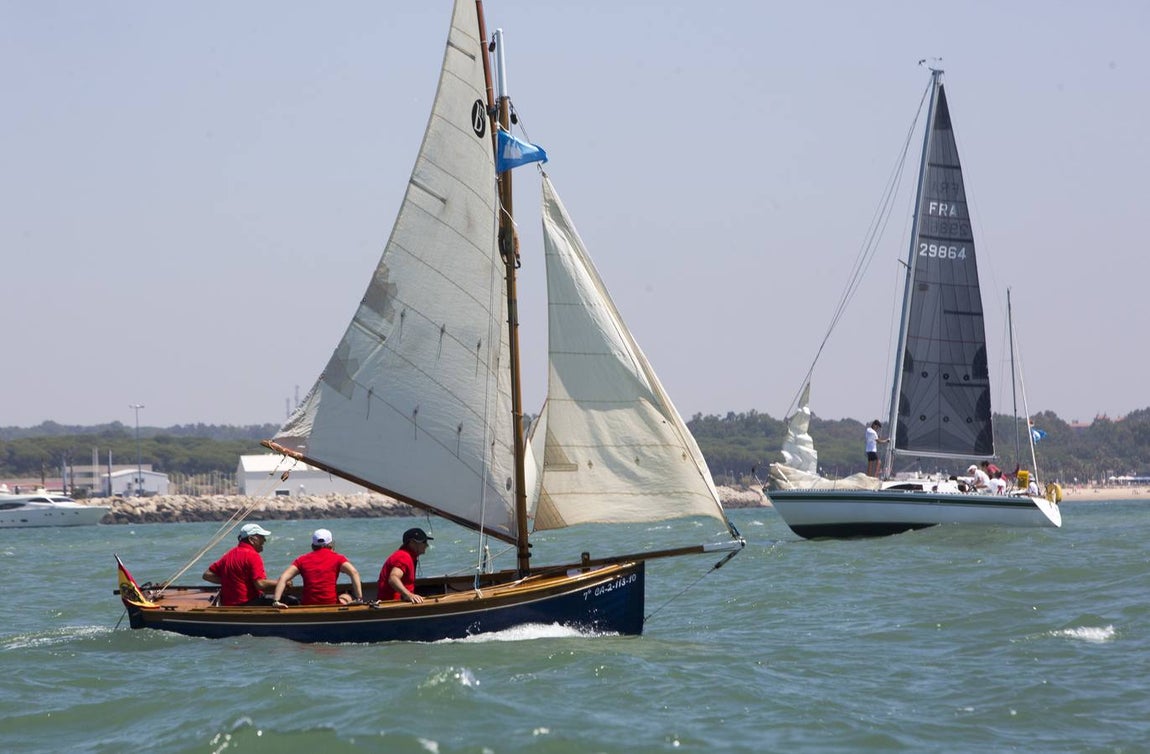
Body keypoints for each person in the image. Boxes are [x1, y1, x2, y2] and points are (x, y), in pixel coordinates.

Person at [271, 528, 363, 608]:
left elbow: (283, 578)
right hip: (331, 604)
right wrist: (359, 598)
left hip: (308, 604)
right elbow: (354, 572)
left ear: (313, 545)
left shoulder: (301, 560)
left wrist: (276, 601)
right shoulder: (338, 558)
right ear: (331, 544)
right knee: (346, 596)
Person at [203, 523, 280, 606]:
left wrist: (232, 582)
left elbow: (207, 575)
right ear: (251, 539)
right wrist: (281, 583)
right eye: (261, 537)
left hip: (228, 604)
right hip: (248, 603)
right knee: (291, 601)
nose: (264, 540)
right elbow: (260, 584)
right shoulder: (253, 556)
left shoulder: (229, 554)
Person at [378, 527, 433, 603]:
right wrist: (409, 595)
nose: (427, 545)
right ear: (412, 543)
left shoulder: (408, 555)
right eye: (424, 542)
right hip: (393, 604)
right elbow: (393, 578)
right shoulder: (403, 557)